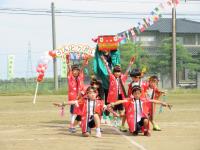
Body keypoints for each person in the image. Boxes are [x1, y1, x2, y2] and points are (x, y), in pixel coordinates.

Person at [101, 55, 135, 132]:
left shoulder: (123, 77)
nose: (117, 73)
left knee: (121, 110)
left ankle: (121, 123)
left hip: (121, 96)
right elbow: (108, 69)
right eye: (116, 72)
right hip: (113, 96)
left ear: (120, 72)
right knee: (114, 109)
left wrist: (130, 64)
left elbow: (126, 72)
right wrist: (105, 62)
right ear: (114, 72)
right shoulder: (112, 77)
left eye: (118, 72)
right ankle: (115, 121)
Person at [66, 54, 88, 132]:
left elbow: (82, 68)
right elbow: (69, 70)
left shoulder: (80, 76)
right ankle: (71, 126)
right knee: (74, 113)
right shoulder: (70, 77)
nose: (75, 72)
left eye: (77, 70)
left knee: (81, 111)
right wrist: (68, 62)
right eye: (74, 70)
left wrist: (85, 61)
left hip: (81, 97)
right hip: (73, 98)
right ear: (72, 71)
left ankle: (79, 123)